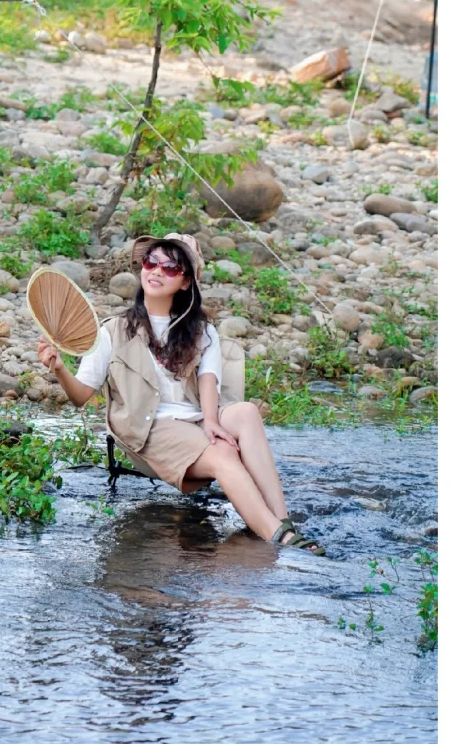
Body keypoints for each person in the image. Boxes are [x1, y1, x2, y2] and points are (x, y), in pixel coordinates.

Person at [36, 233, 326, 553]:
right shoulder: (111, 332)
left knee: (246, 412)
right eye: (151, 262)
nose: (157, 271)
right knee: (223, 454)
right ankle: (282, 540)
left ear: (186, 282)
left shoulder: (200, 330)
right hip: (151, 428)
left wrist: (213, 421)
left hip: (194, 417)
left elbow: (208, 379)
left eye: (171, 267)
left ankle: (281, 521)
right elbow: (81, 396)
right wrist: (60, 369)